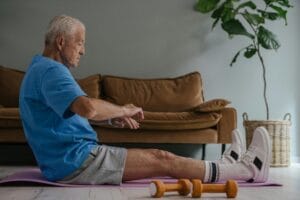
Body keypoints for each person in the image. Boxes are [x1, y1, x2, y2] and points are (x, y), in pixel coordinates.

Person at [19, 15, 271, 185]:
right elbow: (87, 107)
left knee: (161, 157)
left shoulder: (39, 68)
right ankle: (247, 171)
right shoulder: (52, 72)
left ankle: (224, 164)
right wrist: (121, 108)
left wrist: (113, 119)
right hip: (76, 161)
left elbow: (68, 117)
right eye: (80, 43)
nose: (83, 50)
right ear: (61, 42)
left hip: (68, 159)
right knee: (162, 158)